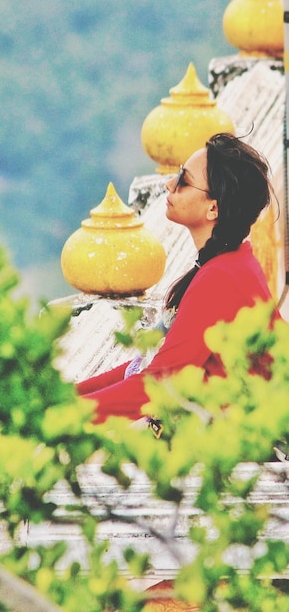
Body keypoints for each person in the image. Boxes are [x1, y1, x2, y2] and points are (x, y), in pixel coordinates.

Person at [75, 132, 280, 423]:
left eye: (184, 180)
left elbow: (158, 385)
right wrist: (64, 397)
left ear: (213, 208)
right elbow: (144, 368)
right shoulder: (230, 262)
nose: (169, 184)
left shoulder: (221, 279)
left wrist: (66, 415)